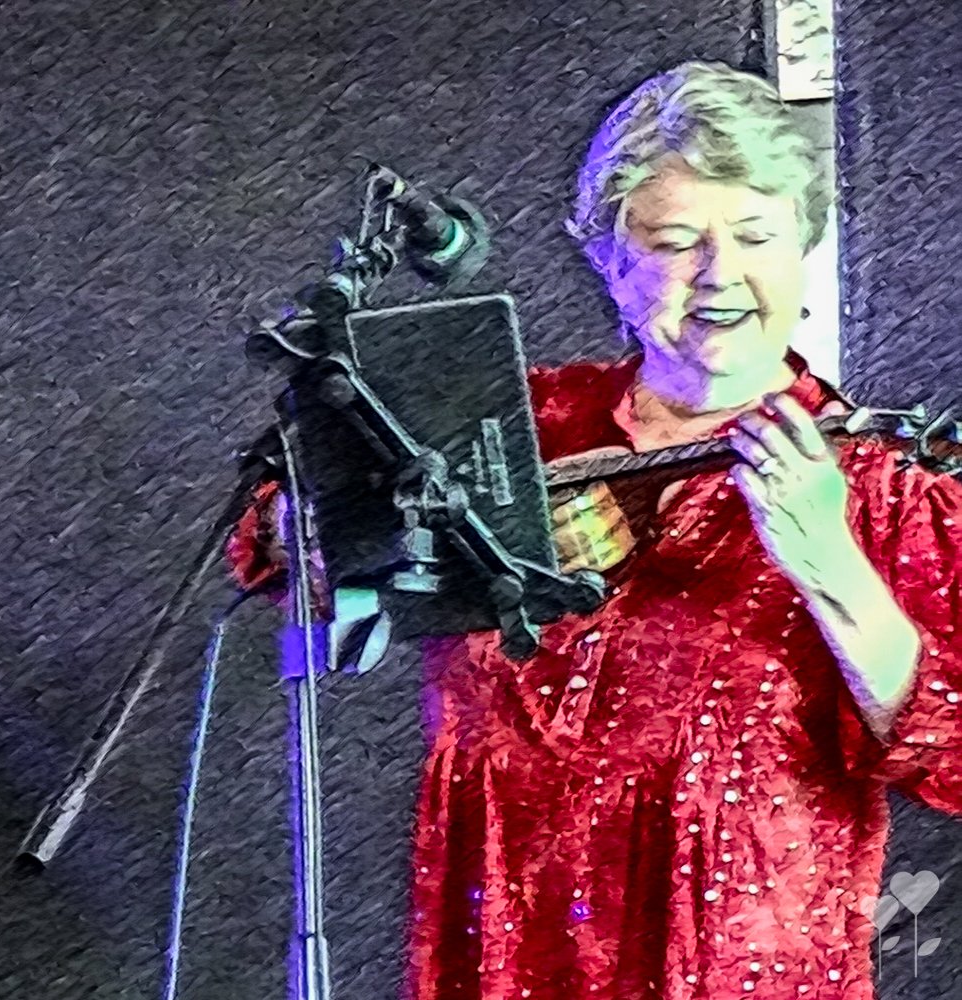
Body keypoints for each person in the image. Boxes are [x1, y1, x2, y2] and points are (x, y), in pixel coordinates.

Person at [226, 61, 962, 1000]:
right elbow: (283, 546)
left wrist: (830, 567)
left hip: (732, 971)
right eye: (675, 240)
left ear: (803, 249)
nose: (720, 273)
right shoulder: (510, 426)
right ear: (610, 260)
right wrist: (327, 518)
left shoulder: (880, 484)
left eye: (756, 236)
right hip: (500, 957)